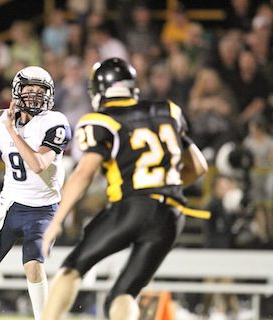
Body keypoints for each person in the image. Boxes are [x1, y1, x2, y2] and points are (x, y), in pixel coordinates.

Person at [41, 57, 209, 319]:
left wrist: (56, 220)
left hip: (133, 206)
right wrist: (164, 187)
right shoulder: (168, 110)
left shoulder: (102, 119)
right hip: (172, 214)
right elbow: (198, 167)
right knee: (125, 293)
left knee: (73, 268)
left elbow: (84, 172)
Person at [0, 66, 71, 320]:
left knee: (33, 265)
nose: (34, 94)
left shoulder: (54, 121)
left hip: (43, 209)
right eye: (29, 88)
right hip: (9, 206)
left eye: (39, 90)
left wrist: (12, 132)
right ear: (17, 92)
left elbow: (38, 164)